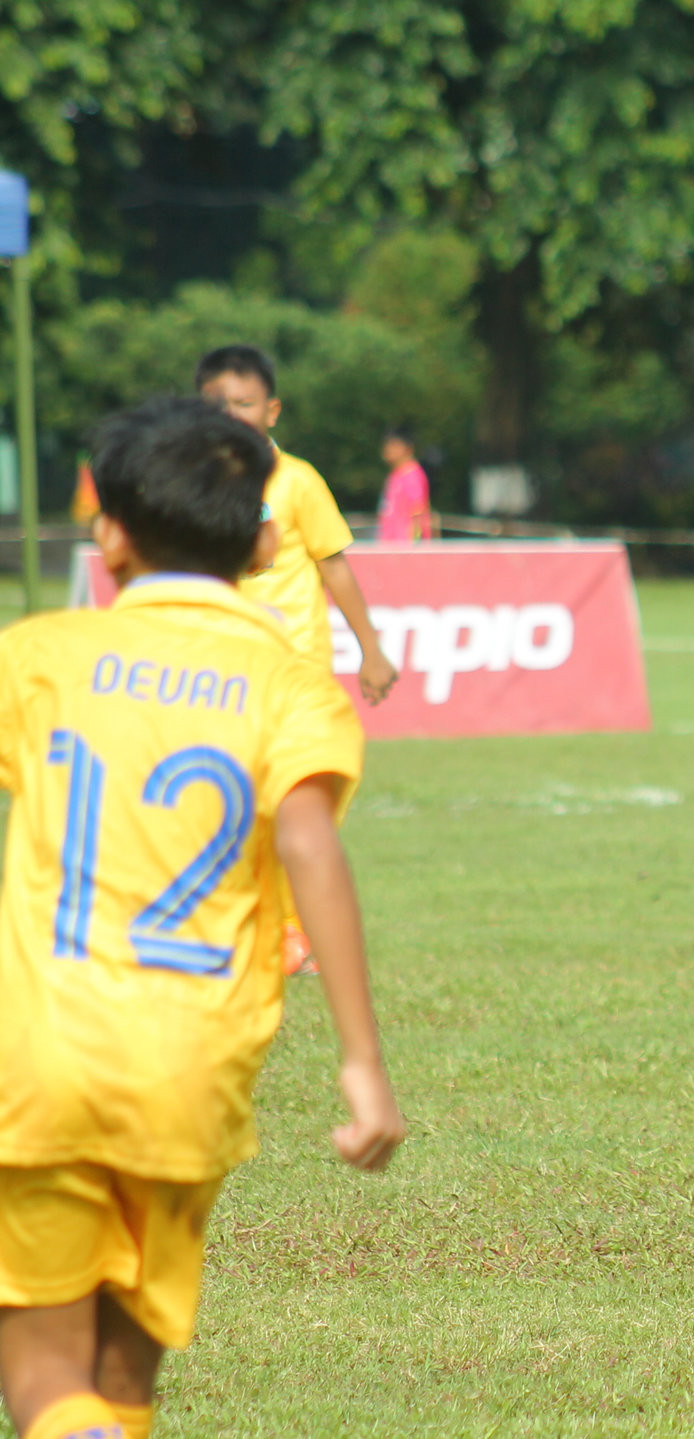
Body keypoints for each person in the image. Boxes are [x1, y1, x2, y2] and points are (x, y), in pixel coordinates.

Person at [0, 397, 405, 1439]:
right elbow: (311, 843)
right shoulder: (289, 686)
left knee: (45, 1379)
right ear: (268, 538)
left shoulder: (39, 656)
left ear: (110, 534)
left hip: (37, 1057)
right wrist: (361, 1058)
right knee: (127, 1379)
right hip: (192, 1064)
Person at [197, 345, 398, 975]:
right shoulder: (191, 483)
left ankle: (288, 929)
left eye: (245, 403)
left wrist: (371, 649)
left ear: (273, 410)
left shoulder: (298, 481)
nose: (232, 414)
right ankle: (244, 925)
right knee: (231, 802)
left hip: (297, 672)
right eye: (216, 404)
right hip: (221, 673)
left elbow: (333, 565)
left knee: (307, 797)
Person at [377, 428, 436, 542]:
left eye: (394, 445)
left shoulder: (412, 476)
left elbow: (417, 514)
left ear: (407, 447)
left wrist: (413, 549)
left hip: (404, 549)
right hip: (391, 546)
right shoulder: (395, 475)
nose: (388, 449)